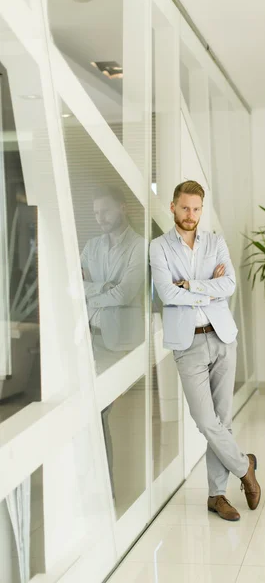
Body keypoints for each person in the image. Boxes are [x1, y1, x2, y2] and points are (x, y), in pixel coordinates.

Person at [149, 180, 261, 522]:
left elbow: (228, 285)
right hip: (188, 343)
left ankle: (217, 496)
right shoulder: (159, 247)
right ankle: (245, 467)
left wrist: (192, 286)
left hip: (223, 337)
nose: (191, 215)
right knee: (205, 421)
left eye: (196, 209)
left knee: (222, 420)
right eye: (185, 208)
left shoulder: (215, 241)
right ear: (172, 207)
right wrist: (209, 290)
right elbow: (168, 294)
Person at [81, 184, 145, 500]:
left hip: (117, 345)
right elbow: (73, 286)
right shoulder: (91, 247)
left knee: (99, 413)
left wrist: (93, 291)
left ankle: (106, 492)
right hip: (87, 342)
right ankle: (97, 488)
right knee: (90, 416)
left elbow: (125, 294)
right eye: (95, 212)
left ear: (123, 208)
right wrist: (103, 287)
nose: (100, 217)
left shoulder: (139, 246)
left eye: (105, 210)